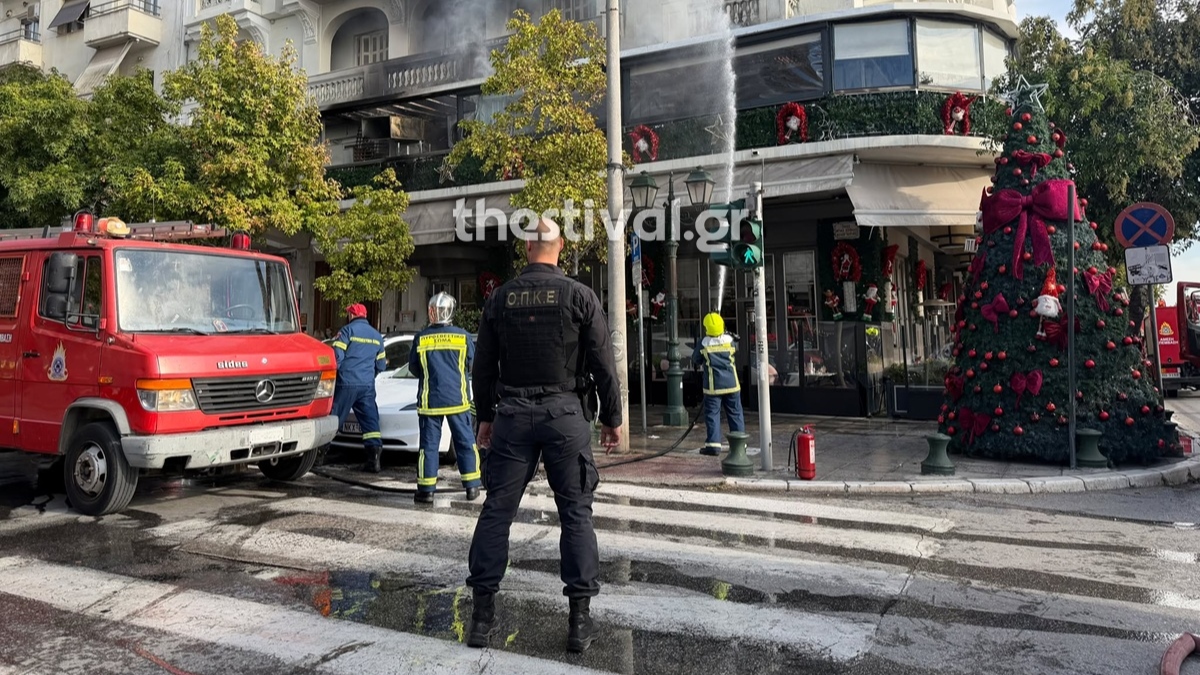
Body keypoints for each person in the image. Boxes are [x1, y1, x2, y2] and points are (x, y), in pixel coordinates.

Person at [466, 217, 622, 654]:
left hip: (512, 417)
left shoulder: (500, 298)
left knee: (497, 512)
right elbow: (603, 362)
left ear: (527, 248)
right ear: (561, 246)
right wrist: (612, 418)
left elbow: (483, 365)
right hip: (565, 416)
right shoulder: (579, 296)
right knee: (575, 514)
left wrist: (485, 417)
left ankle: (481, 620)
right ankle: (579, 623)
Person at [408, 292, 482, 504]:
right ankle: (472, 487)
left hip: (430, 401)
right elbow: (471, 364)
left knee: (429, 447)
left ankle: (426, 491)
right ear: (451, 311)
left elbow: (414, 368)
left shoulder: (421, 337)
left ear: (431, 312)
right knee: (465, 442)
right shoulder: (462, 336)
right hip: (458, 400)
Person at [330, 304, 387, 472]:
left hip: (347, 382)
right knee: (370, 422)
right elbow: (381, 365)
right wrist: (369, 376)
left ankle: (319, 455)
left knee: (334, 417)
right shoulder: (377, 336)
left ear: (351, 315)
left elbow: (337, 356)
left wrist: (337, 373)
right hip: (367, 385)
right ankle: (374, 461)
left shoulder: (347, 331)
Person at [693, 312, 745, 456]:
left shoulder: (704, 343)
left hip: (713, 387)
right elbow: (736, 347)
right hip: (732, 385)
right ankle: (740, 444)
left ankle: (713, 446)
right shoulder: (730, 340)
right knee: (735, 413)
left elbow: (696, 359)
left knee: (712, 415)